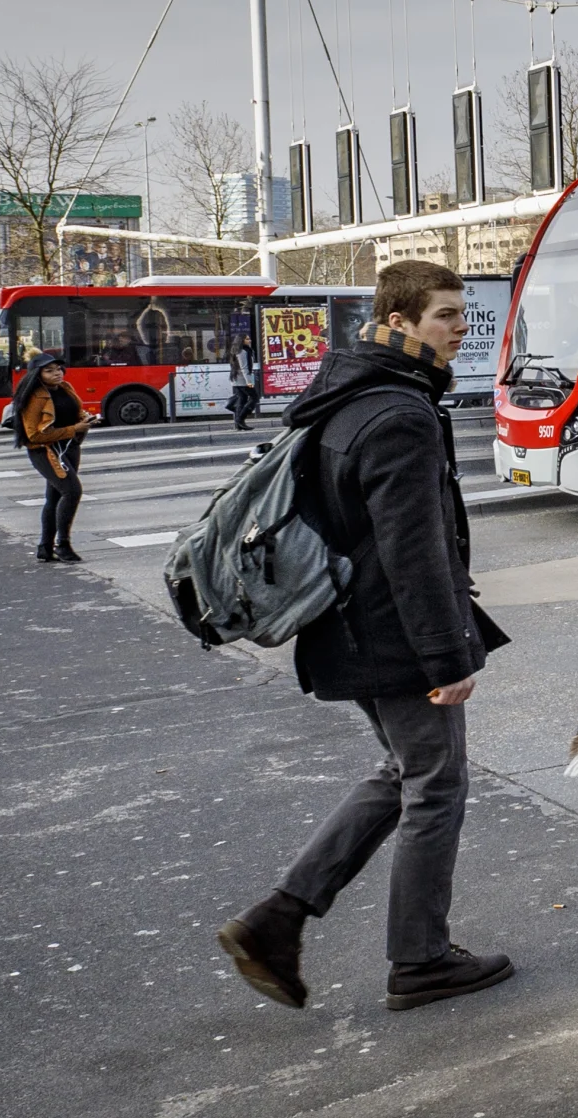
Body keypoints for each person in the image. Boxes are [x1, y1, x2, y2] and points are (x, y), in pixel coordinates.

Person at [216, 260, 517, 1018]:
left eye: (461, 314)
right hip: (389, 634)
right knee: (436, 784)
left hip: (349, 626)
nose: (461, 327)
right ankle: (418, 960)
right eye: (446, 315)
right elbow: (412, 552)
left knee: (406, 770)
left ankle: (278, 920)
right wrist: (447, 659)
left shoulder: (347, 391)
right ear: (401, 321)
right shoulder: (399, 414)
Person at [6, 350, 90, 564]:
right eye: (49, 371)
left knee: (54, 497)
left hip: (70, 447)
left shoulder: (65, 388)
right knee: (72, 491)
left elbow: (74, 411)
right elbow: (34, 434)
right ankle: (63, 545)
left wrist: (85, 419)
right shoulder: (35, 397)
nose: (57, 373)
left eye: (59, 369)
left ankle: (45, 547)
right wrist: (74, 428)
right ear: (37, 374)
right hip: (45, 450)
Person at [227, 327, 262, 433]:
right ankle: (240, 419)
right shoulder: (243, 351)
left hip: (237, 379)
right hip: (243, 380)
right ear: (242, 341)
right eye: (247, 339)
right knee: (254, 397)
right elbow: (244, 367)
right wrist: (249, 382)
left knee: (242, 400)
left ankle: (239, 424)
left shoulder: (238, 350)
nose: (250, 340)